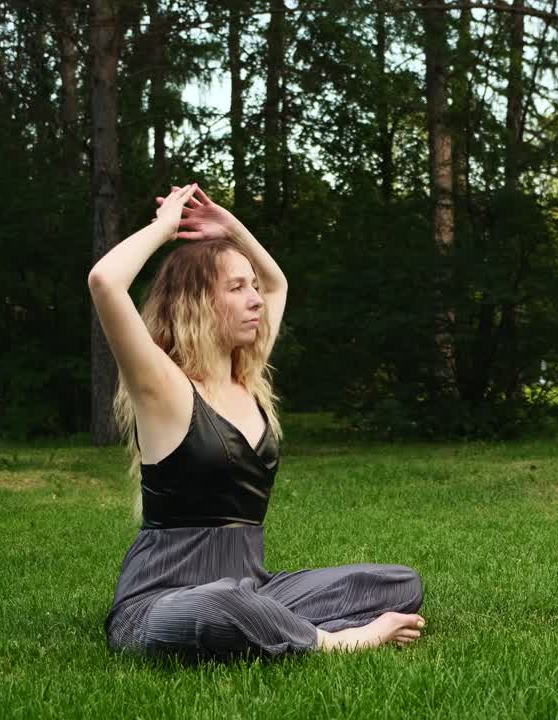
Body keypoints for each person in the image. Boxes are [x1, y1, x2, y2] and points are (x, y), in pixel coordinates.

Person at [88, 183, 426, 662]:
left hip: (257, 589)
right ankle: (332, 641)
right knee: (221, 603)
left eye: (250, 286)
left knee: (397, 582)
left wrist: (231, 230)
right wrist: (163, 229)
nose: (256, 300)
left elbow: (277, 285)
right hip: (160, 604)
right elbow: (105, 281)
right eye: (235, 288)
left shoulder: (245, 376)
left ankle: (265, 627)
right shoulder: (163, 387)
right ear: (197, 302)